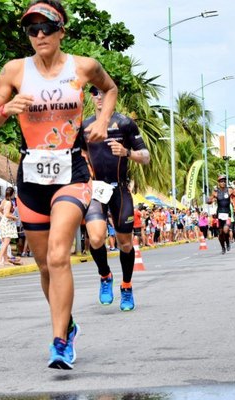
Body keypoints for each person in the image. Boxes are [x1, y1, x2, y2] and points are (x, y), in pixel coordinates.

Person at [0, 0, 118, 370]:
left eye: (47, 27)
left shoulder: (83, 66)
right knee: (44, 265)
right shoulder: (14, 71)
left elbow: (110, 89)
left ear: (61, 30)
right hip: (31, 177)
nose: (39, 34)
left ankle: (59, 342)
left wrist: (103, 120)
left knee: (59, 255)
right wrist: (5, 110)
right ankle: (68, 325)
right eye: (32, 29)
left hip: (71, 171)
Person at [82, 85, 150, 311]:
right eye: (94, 93)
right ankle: (105, 276)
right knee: (95, 238)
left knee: (125, 243)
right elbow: (79, 154)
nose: (99, 96)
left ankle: (127, 286)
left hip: (119, 189)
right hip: (96, 190)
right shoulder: (85, 126)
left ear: (112, 96)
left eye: (103, 92)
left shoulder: (124, 123)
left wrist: (127, 153)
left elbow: (146, 157)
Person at [207, 175, 233, 254]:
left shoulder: (229, 190)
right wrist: (210, 200)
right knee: (220, 233)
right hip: (219, 214)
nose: (223, 182)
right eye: (221, 181)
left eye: (224, 181)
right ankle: (223, 247)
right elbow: (210, 201)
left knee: (226, 230)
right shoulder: (216, 192)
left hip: (227, 213)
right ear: (218, 183)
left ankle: (228, 242)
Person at [0, 187, 21, 266]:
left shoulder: (4, 201)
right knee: (5, 243)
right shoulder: (9, 202)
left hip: (4, 222)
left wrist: (2, 217)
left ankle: (5, 260)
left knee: (4, 243)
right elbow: (7, 214)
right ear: (13, 193)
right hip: (7, 223)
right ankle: (0, 259)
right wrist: (15, 218)